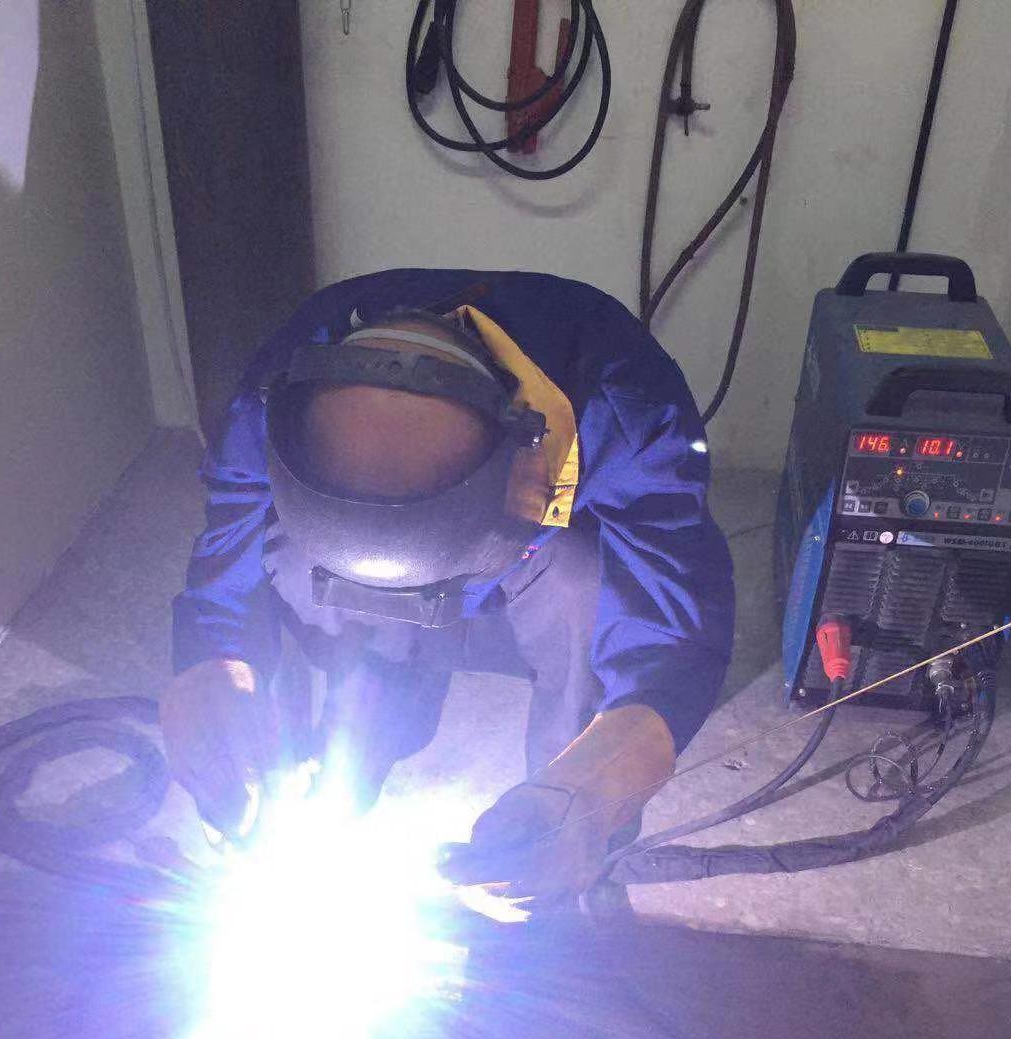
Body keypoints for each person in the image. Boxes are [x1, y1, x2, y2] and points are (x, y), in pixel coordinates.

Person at [160, 268, 734, 907]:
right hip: (406, 572)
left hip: (535, 580)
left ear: (531, 475)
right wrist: (210, 678)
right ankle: (356, 747)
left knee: (584, 585)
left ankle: (554, 830)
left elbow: (670, 637)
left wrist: (595, 792)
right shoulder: (276, 396)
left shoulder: (628, 407)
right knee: (289, 559)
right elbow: (228, 558)